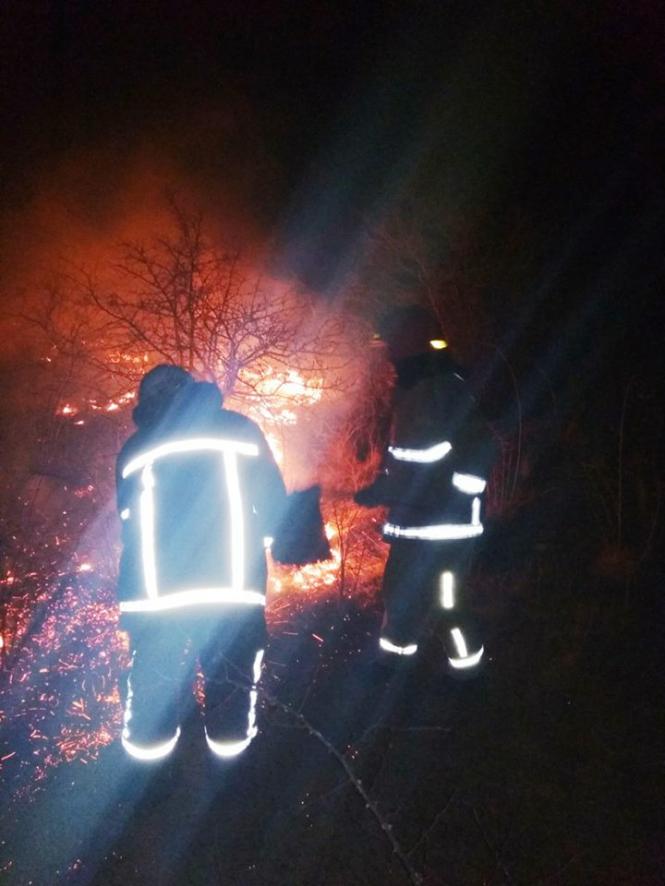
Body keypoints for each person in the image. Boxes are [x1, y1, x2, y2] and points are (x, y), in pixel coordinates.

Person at [116, 365, 289, 761]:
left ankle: (146, 784)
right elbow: (274, 504)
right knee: (232, 684)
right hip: (231, 590)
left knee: (152, 695)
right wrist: (258, 548)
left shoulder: (134, 449)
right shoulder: (239, 430)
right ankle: (229, 779)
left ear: (147, 402)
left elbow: (128, 522)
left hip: (154, 597)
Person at [355, 306, 496, 674]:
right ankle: (394, 673)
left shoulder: (445, 389)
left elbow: (478, 447)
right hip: (414, 524)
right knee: (400, 600)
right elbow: (409, 462)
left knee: (449, 603)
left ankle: (467, 675)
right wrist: (380, 490)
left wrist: (459, 495)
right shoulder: (413, 392)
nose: (387, 355)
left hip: (447, 530)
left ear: (410, 346)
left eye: (391, 346)